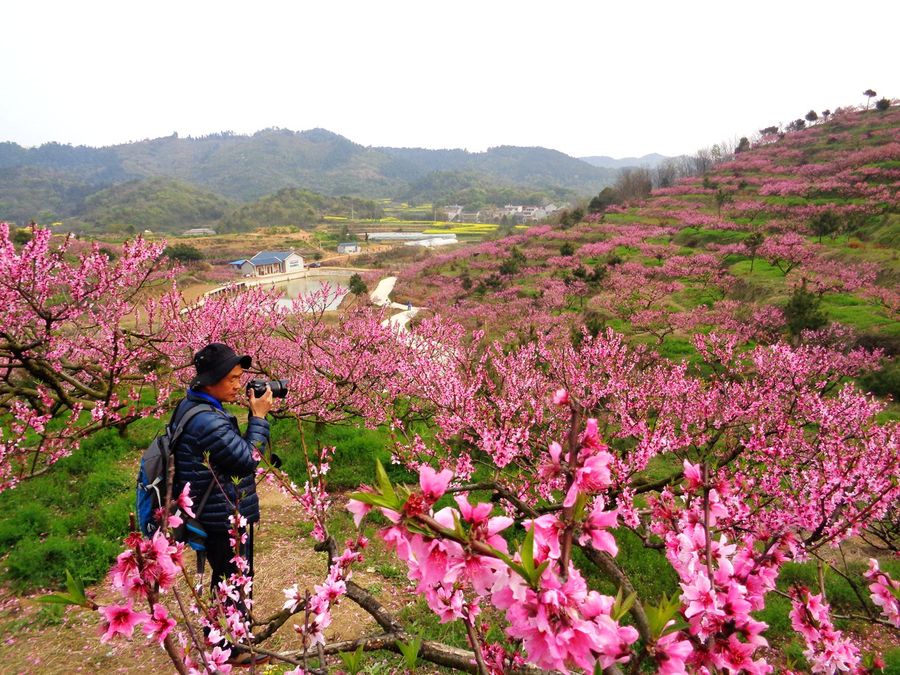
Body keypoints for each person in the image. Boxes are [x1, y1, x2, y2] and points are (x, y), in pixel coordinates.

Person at [170, 342, 273, 661]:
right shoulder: (208, 421)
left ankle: (220, 638)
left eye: (240, 377)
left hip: (211, 509)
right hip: (221, 515)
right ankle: (232, 648)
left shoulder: (193, 406)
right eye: (232, 378)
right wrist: (258, 418)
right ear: (210, 380)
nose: (239, 385)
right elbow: (247, 459)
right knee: (234, 576)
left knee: (225, 576)